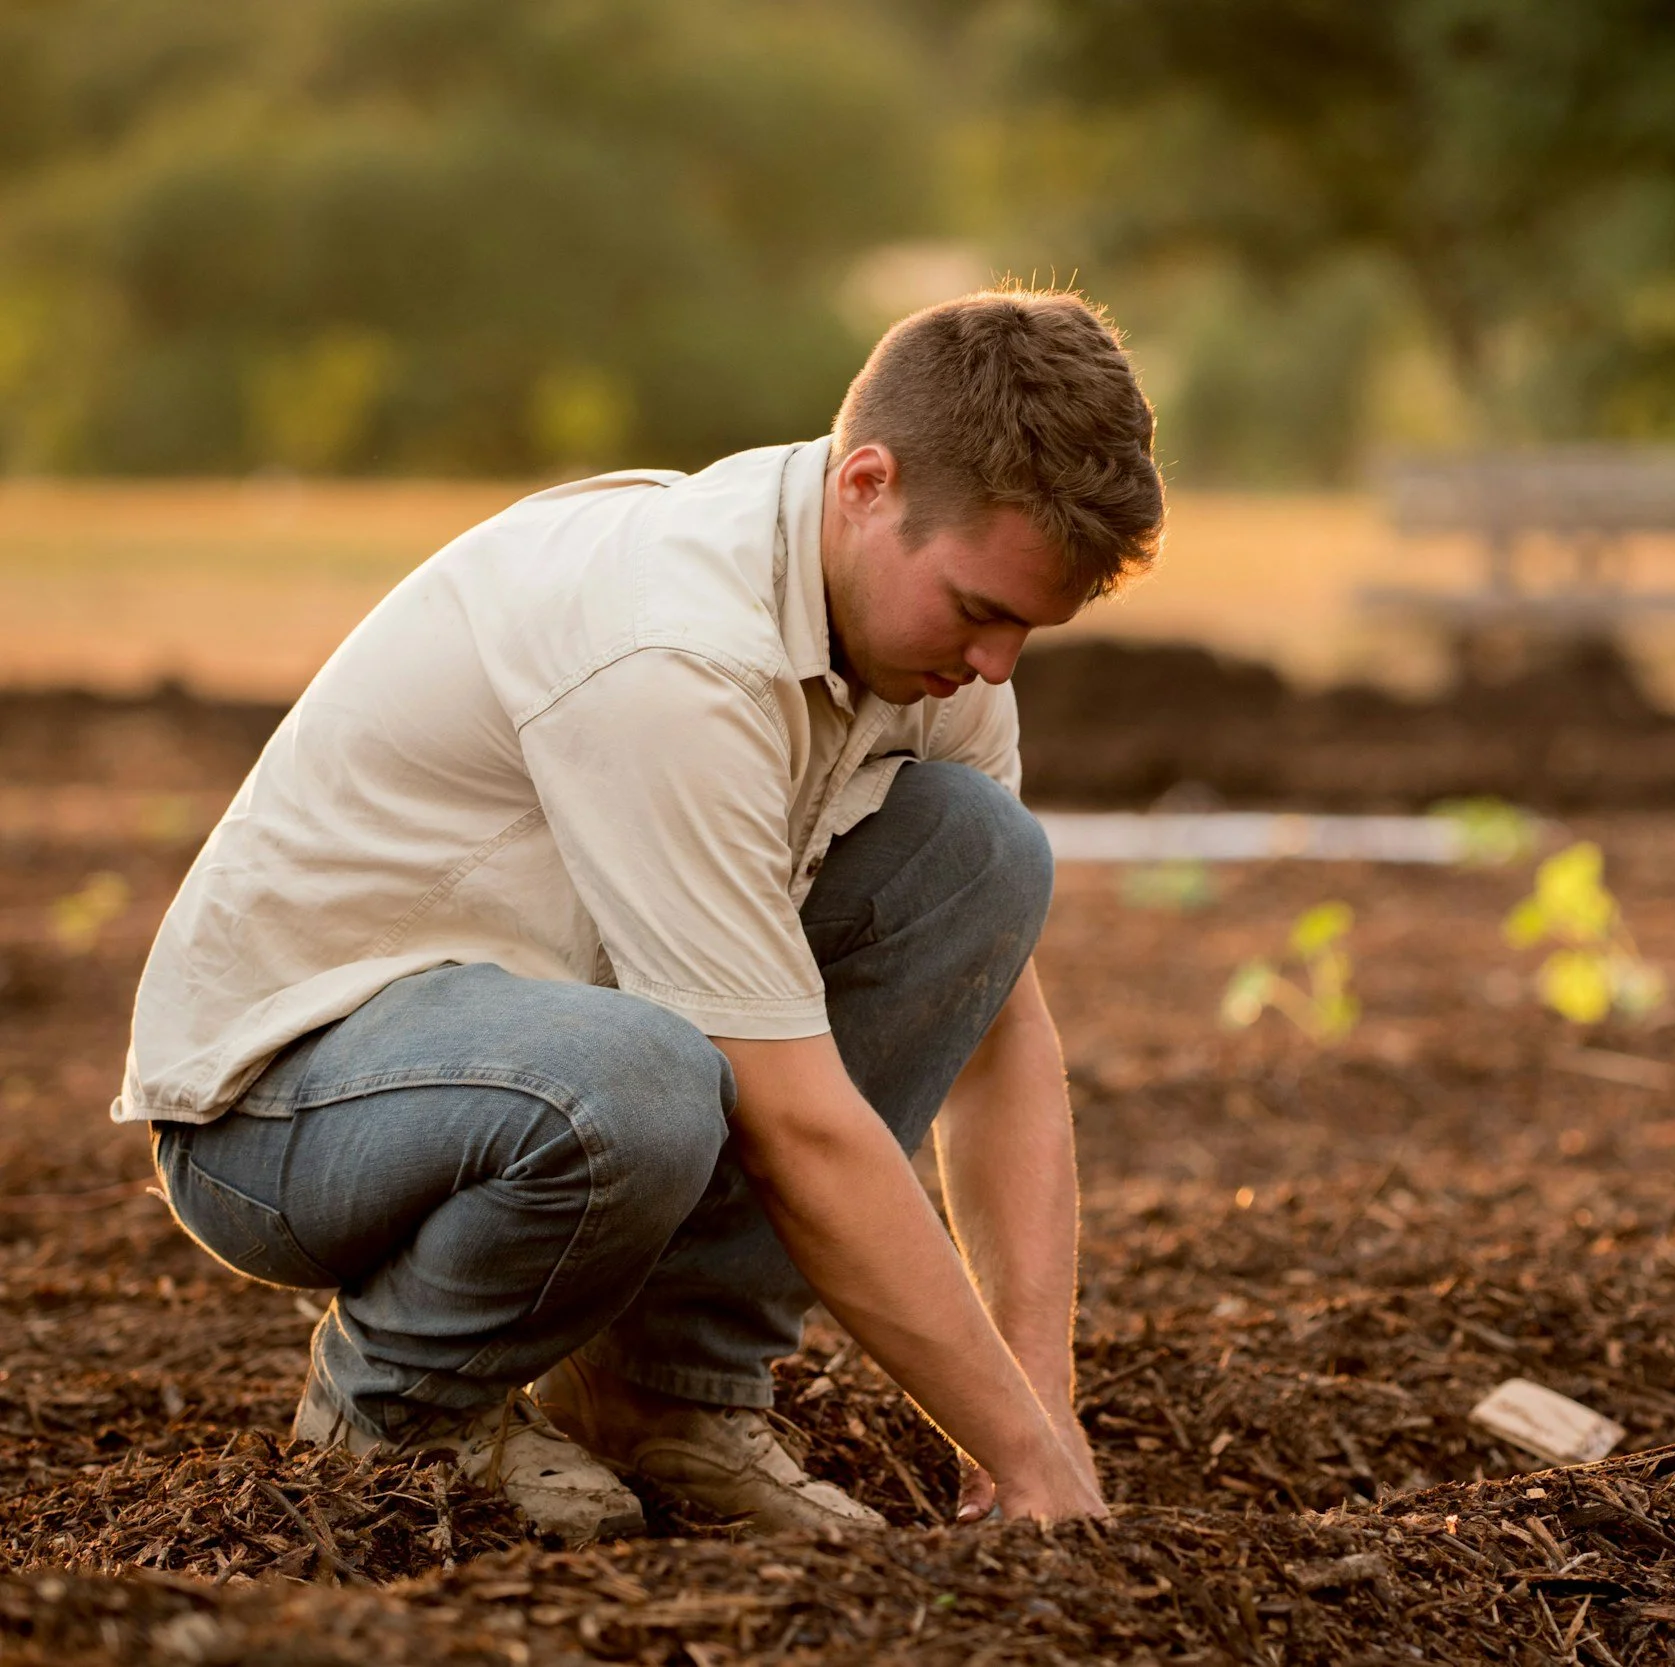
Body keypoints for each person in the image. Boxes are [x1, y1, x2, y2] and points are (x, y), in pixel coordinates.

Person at [115, 289, 1162, 1543]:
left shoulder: (924, 652)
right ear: (867, 484)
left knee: (980, 855)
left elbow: (996, 1032)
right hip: (281, 1106)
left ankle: (663, 1394)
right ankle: (401, 1411)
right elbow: (797, 1127)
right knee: (644, 1079)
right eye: (980, 609)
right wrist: (1010, 1447)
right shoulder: (672, 649)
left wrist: (1042, 1412)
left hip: (541, 1046)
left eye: (1027, 629)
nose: (996, 666)